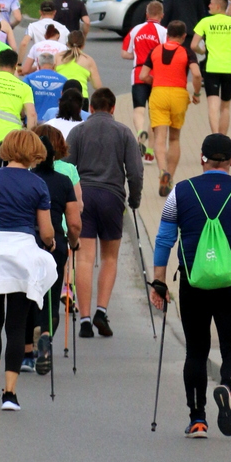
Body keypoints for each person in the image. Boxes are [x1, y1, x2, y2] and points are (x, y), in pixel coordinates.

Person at [150, 133, 231, 438]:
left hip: (193, 284)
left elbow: (165, 239)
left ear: (202, 159)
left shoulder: (181, 192)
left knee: (195, 351)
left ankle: (197, 420)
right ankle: (228, 388)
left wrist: (159, 282)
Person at [0, 129, 58, 410]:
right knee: (16, 326)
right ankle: (10, 393)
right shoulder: (38, 184)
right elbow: (45, 231)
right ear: (33, 152)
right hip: (23, 253)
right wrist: (52, 242)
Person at [67, 87, 143, 339]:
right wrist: (134, 198)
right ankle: (102, 309)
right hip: (112, 198)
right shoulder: (123, 132)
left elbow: (68, 168)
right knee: (110, 258)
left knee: (84, 259)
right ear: (112, 108)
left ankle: (85, 318)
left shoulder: (78, 131)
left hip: (84, 197)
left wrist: (68, 201)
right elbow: (135, 171)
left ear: (90, 108)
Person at [26, 123, 82, 371]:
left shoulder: (25, 179)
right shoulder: (64, 180)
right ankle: (46, 336)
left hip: (27, 242)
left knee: (26, 295)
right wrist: (72, 242)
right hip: (55, 244)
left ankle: (26, 351)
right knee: (51, 294)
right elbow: (74, 222)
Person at [146, 20, 202, 194]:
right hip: (178, 94)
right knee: (174, 138)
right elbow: (197, 74)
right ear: (184, 36)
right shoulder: (187, 52)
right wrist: (197, 94)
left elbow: (143, 74)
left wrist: (156, 83)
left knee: (159, 138)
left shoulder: (155, 50)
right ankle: (170, 176)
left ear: (167, 34)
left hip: (159, 94)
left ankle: (162, 171)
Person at [191, 0, 231, 136]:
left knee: (212, 107)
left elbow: (193, 45)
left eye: (210, 4)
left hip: (211, 68)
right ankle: (223, 139)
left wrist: (202, 51)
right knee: (226, 107)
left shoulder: (205, 22)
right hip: (229, 67)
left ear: (217, 6)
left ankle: (215, 137)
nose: (208, 6)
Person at [122, 0, 167, 156]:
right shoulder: (163, 32)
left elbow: (124, 53)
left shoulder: (135, 30)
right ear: (162, 15)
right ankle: (149, 150)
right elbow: (167, 53)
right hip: (157, 75)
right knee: (154, 114)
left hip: (138, 73)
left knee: (139, 109)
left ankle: (140, 131)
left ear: (146, 14)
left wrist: (138, 55)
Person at [55, 29, 101, 98]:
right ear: (83, 45)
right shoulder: (88, 60)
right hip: (81, 97)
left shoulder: (57, 57)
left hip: (61, 96)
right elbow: (97, 86)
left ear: (68, 44)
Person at [26, 50, 68, 123]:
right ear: (54, 65)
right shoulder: (63, 80)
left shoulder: (29, 79)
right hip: (55, 122)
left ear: (38, 66)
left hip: (34, 122)